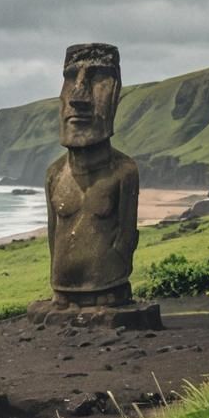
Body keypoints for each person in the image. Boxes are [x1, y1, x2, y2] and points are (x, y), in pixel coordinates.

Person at [45, 43, 139, 308]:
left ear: (115, 94)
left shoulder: (124, 171)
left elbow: (127, 234)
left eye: (98, 79)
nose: (79, 95)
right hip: (62, 291)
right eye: (70, 78)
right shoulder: (54, 173)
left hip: (109, 289)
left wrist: (114, 273)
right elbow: (53, 234)